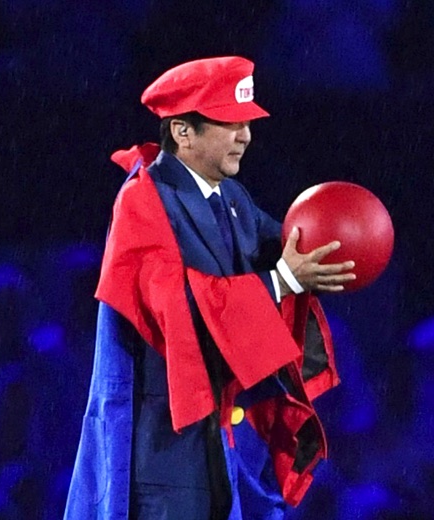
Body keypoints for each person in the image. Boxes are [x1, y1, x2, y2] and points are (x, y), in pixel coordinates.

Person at [64, 56, 355, 520]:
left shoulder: (231, 198)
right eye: (231, 122)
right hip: (161, 454)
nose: (246, 135)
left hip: (218, 445)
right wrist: (282, 280)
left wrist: (336, 249)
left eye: (247, 123)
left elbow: (287, 250)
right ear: (182, 132)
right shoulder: (143, 201)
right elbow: (176, 307)